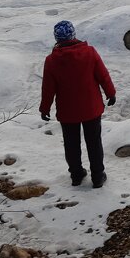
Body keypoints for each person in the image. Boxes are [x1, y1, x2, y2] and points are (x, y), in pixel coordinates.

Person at [40, 20, 116, 188]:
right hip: (91, 107)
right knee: (94, 142)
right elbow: (103, 75)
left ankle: (76, 175)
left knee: (71, 143)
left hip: (68, 111)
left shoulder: (51, 60)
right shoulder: (89, 52)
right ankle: (97, 176)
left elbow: (48, 88)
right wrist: (111, 93)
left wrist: (44, 108)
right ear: (73, 34)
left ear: (57, 38)